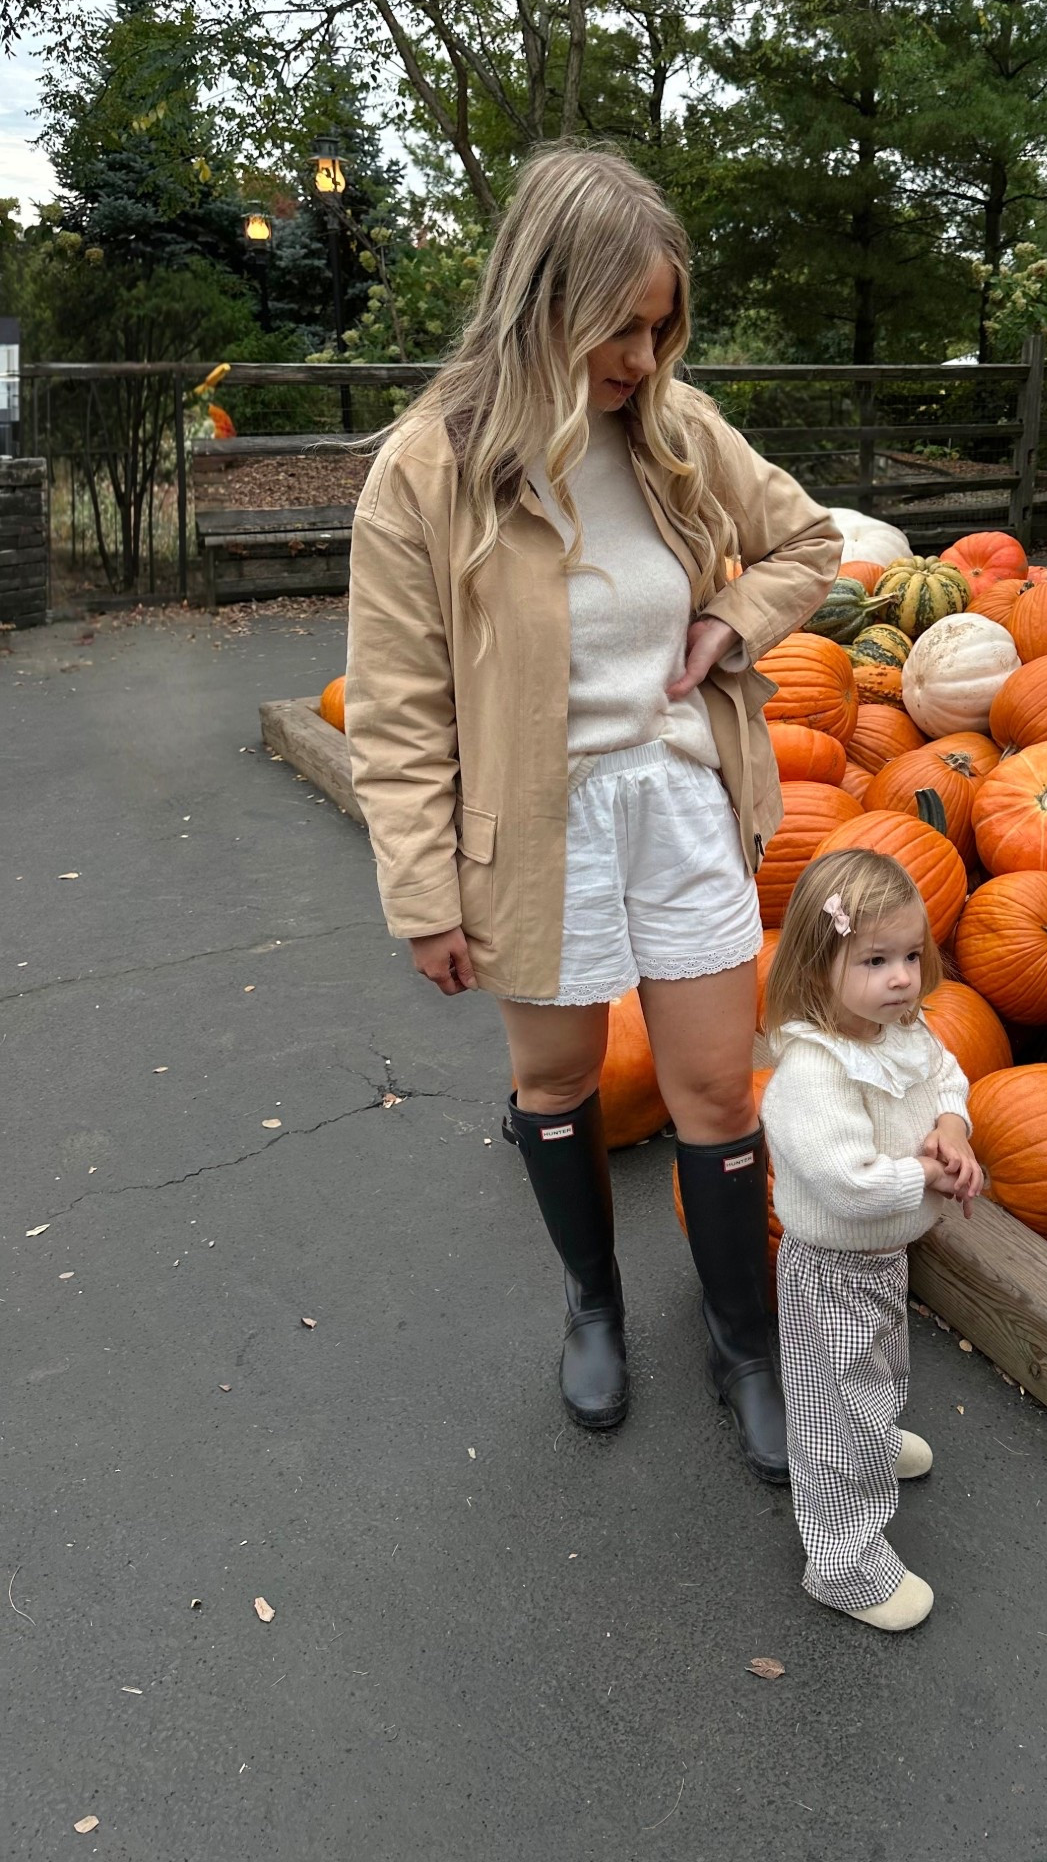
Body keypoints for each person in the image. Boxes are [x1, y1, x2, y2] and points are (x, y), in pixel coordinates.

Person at [343, 142, 840, 1484]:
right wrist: (423, 893)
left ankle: (744, 1344)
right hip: (533, 825)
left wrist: (733, 620)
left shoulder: (675, 430)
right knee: (559, 1081)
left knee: (713, 1086)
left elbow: (807, 541)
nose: (642, 355)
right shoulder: (427, 471)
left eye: (662, 326)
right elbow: (396, 708)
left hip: (678, 798)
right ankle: (594, 1308)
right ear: (541, 300)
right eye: (620, 325)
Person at [760, 849, 985, 1630]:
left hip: (882, 1260)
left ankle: (875, 1438)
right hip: (830, 1269)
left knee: (880, 1371)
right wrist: (926, 1174)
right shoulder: (814, 1075)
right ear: (817, 966)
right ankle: (844, 1565)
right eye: (876, 961)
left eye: (912, 957)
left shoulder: (900, 1031)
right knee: (834, 1415)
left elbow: (945, 1076)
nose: (902, 979)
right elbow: (846, 1182)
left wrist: (952, 1127)